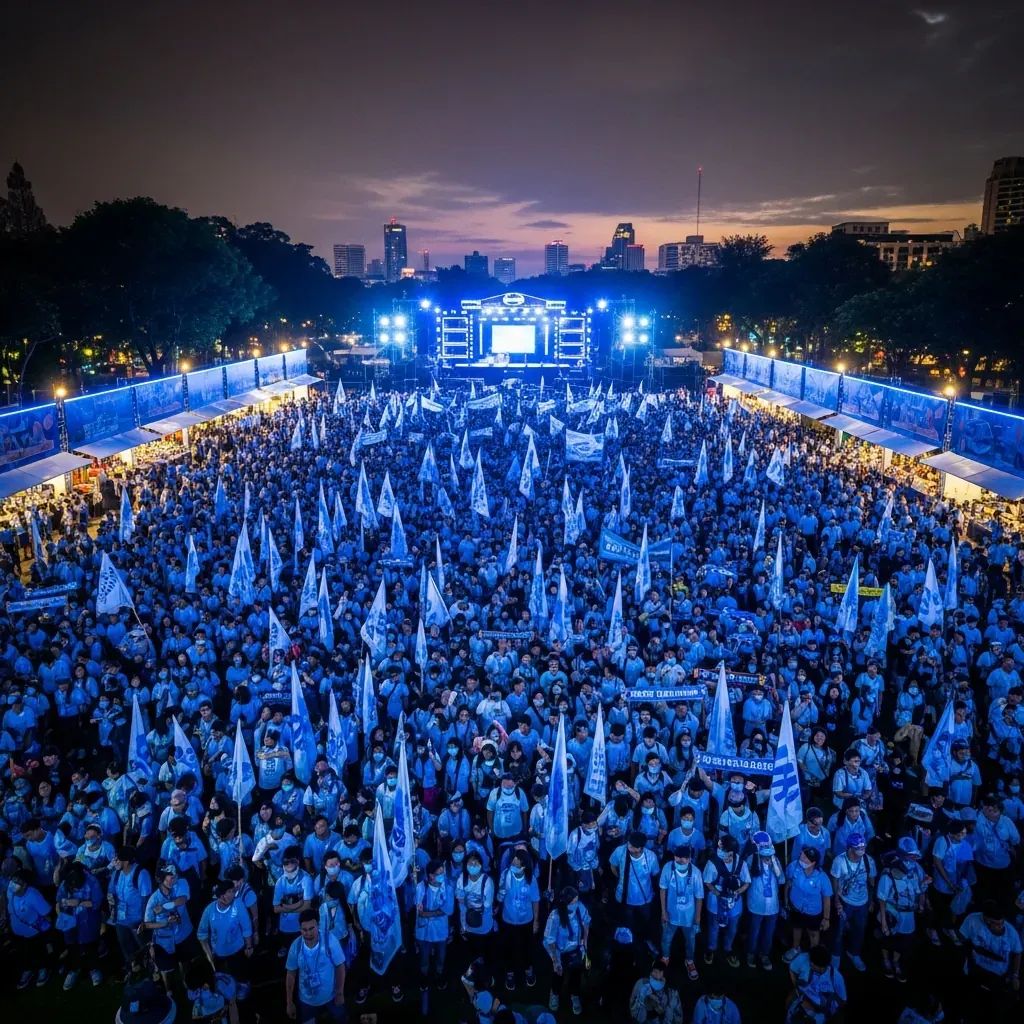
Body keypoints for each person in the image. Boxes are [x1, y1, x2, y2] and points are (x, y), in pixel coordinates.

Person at [285, 908, 346, 1023]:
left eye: (311, 928)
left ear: (318, 925)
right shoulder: (296, 946)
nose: (308, 933)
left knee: (341, 1019)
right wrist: (289, 1002)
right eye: (304, 930)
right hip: (306, 1000)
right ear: (300, 929)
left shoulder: (330, 941)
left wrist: (339, 993)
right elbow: (290, 974)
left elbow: (340, 967)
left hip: (331, 996)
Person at [542, 885, 590, 1015]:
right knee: (558, 974)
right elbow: (550, 940)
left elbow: (586, 922)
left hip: (576, 949)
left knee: (576, 974)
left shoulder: (580, 908)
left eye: (577, 900)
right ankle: (554, 993)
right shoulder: (555, 916)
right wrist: (555, 960)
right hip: (560, 951)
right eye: (574, 901)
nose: (576, 903)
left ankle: (574, 995)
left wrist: (584, 941)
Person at [658, 843, 703, 979]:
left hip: (689, 916)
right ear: (674, 856)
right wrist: (663, 912)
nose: (680, 860)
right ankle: (665, 957)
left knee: (690, 940)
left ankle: (689, 961)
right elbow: (662, 890)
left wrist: (698, 917)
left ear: (690, 859)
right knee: (666, 938)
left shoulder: (695, 872)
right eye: (678, 857)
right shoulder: (668, 868)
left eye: (684, 858)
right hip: (671, 914)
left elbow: (699, 896)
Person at [786, 944, 847, 1024]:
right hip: (802, 996)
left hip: (822, 1007)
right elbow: (792, 969)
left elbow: (843, 1000)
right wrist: (795, 986)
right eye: (811, 962)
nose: (811, 964)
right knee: (790, 1009)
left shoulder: (836, 977)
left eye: (813, 963)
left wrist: (826, 1011)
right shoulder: (802, 959)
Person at [628, 958, 683, 1024]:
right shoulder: (641, 984)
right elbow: (634, 1012)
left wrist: (666, 1010)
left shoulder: (672, 993)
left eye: (660, 971)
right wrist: (643, 1000)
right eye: (655, 971)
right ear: (651, 972)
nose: (657, 974)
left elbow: (678, 1018)